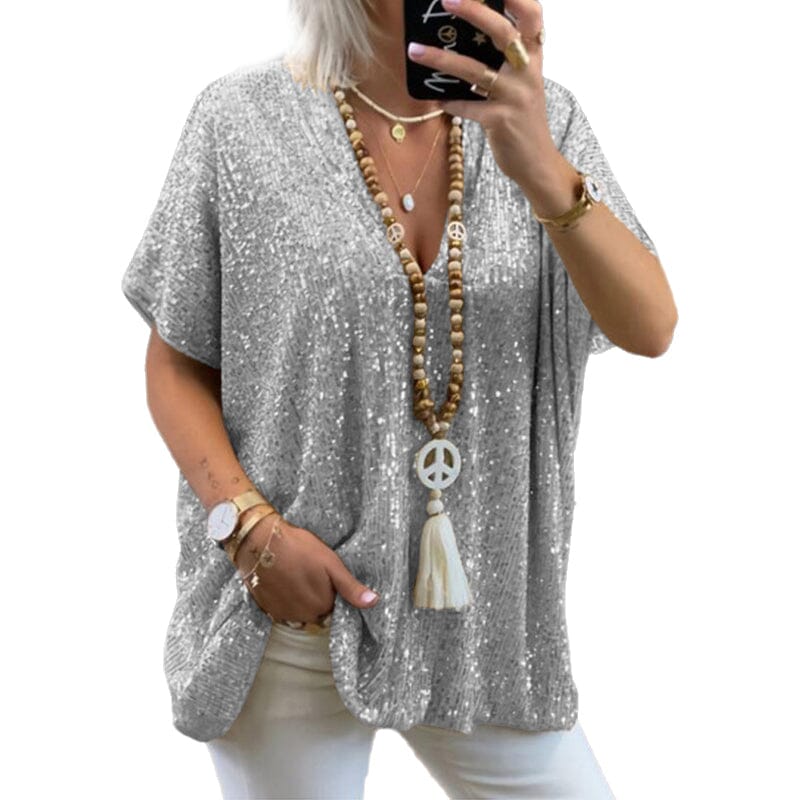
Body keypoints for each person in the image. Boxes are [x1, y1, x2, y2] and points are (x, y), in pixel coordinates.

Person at [120, 0, 677, 797]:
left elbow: (651, 326)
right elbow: (177, 363)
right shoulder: (239, 121)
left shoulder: (543, 122)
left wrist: (540, 167)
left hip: (487, 629)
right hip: (295, 614)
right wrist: (249, 533)